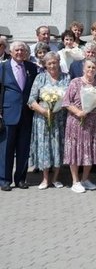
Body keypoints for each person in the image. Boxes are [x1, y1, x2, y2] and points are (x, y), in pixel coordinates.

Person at [26, 51, 69, 190]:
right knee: (44, 148)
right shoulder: (40, 77)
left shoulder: (66, 77)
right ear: (45, 64)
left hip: (59, 119)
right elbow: (31, 99)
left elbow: (69, 98)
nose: (52, 66)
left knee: (58, 147)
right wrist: (44, 111)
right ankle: (45, 179)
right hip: (42, 118)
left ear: (58, 63)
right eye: (49, 63)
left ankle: (55, 178)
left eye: (54, 62)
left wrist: (57, 108)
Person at [0, 42, 38, 191]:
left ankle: (21, 179)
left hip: (26, 114)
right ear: (11, 51)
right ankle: (4, 180)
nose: (20, 52)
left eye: (23, 50)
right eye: (17, 50)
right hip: (8, 113)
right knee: (6, 149)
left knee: (23, 149)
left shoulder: (31, 68)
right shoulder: (2, 68)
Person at [62, 58, 96, 193]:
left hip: (92, 122)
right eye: (89, 67)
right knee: (75, 150)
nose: (91, 70)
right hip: (76, 121)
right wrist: (78, 112)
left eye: (94, 68)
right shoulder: (75, 82)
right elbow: (66, 102)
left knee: (89, 150)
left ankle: (85, 179)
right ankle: (75, 181)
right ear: (83, 68)